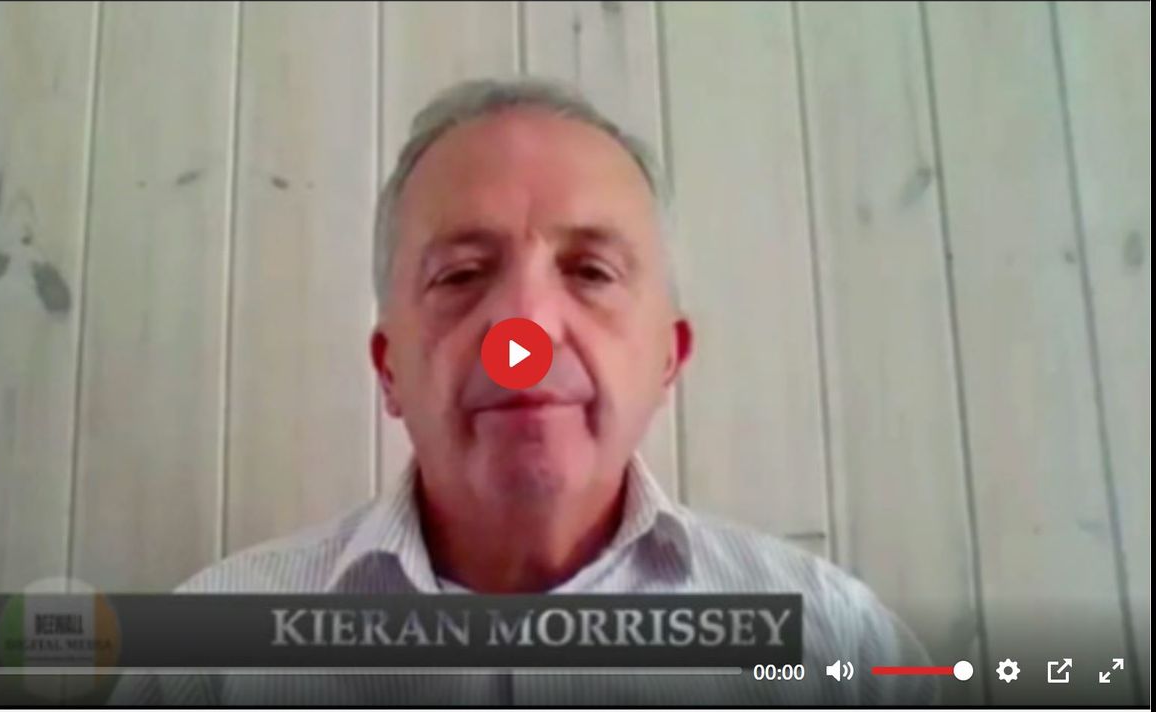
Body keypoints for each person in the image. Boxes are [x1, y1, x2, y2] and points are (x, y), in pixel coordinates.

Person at [111, 77, 937, 706]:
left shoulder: (838, 645)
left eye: (591, 271)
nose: (524, 333)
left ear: (668, 359)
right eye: (462, 275)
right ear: (390, 369)